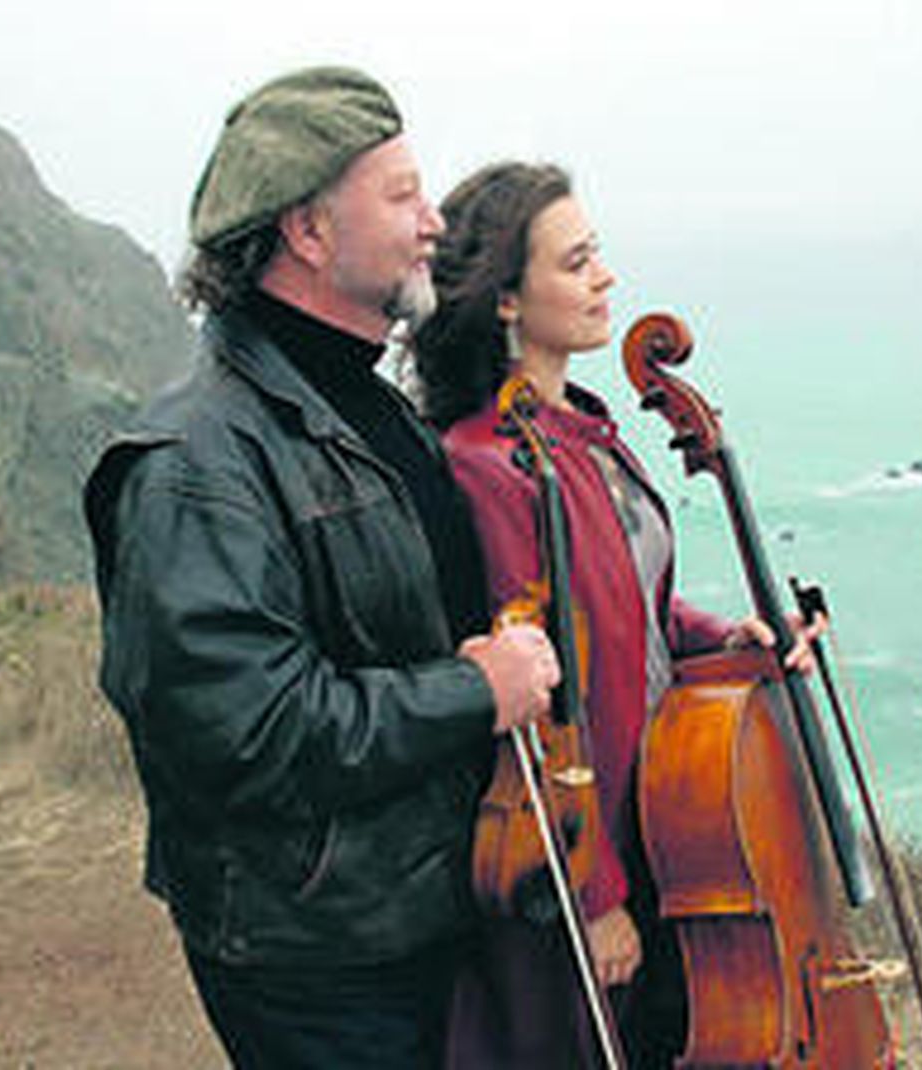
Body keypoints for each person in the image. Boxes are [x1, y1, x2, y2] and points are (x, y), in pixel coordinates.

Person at [82, 69, 560, 1069]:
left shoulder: (374, 412)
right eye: (400, 195)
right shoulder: (194, 463)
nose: (434, 221)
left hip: (419, 911)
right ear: (306, 230)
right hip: (319, 955)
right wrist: (473, 688)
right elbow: (249, 733)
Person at [413, 162, 823, 1068]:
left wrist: (723, 636)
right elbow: (537, 702)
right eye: (578, 261)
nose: (606, 278)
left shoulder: (585, 429)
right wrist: (592, 896)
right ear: (508, 300)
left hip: (652, 835)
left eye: (598, 255)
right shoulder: (489, 463)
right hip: (574, 861)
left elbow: (628, 603)